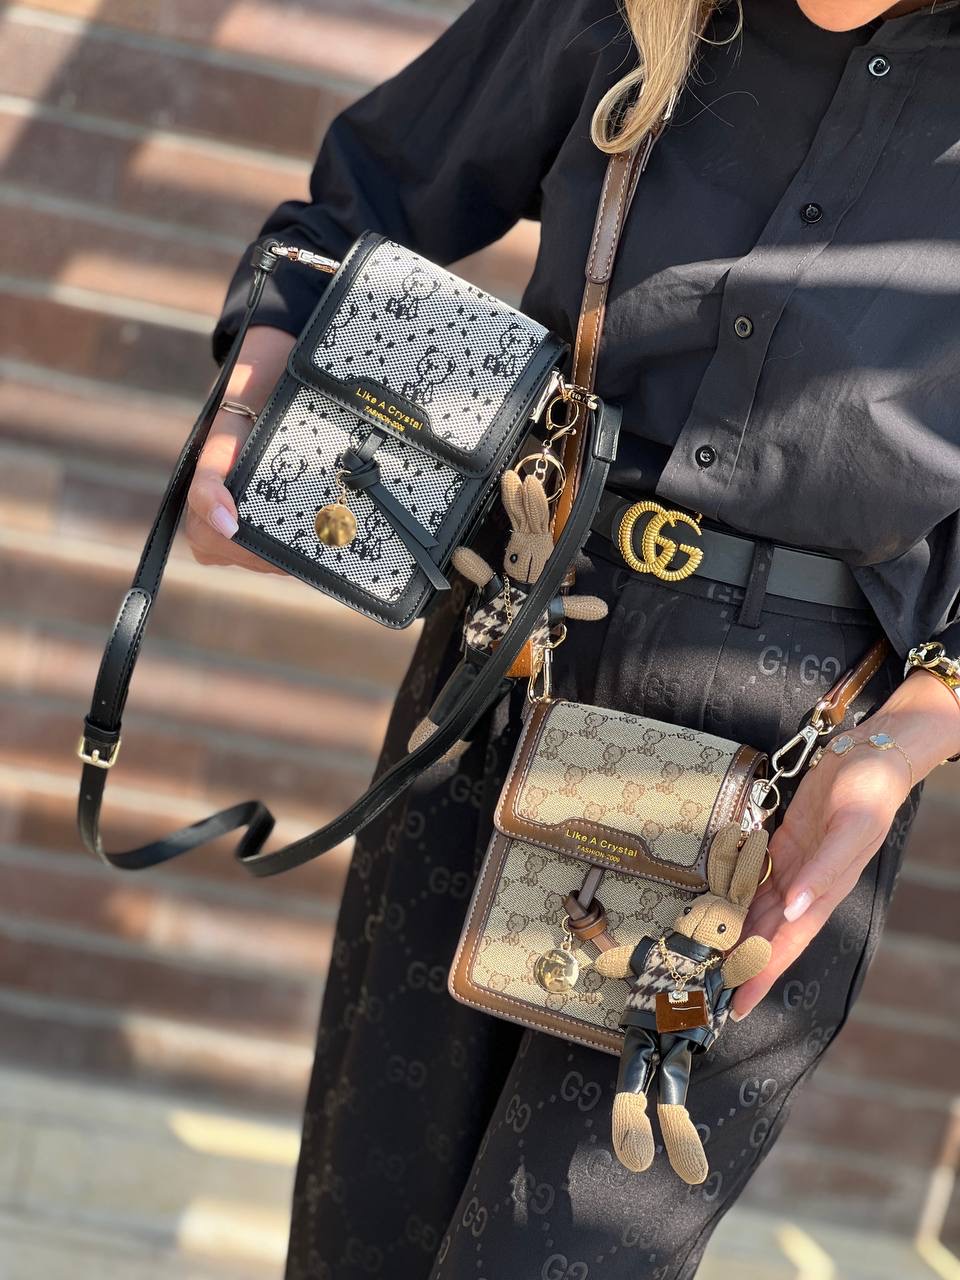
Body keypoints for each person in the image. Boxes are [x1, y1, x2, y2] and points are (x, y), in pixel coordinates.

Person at [187, 0, 960, 1275]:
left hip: (792, 777)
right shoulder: (616, 13)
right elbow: (358, 202)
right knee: (363, 1239)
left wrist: (903, 746)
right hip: (506, 664)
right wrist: (257, 395)